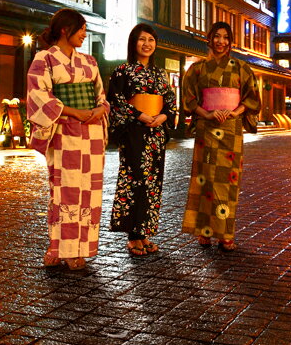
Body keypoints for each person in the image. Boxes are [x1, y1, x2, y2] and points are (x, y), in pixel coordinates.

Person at [27, 8, 109, 269]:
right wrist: (75, 112)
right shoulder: (45, 58)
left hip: (92, 133)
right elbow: (38, 96)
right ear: (65, 29)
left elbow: (101, 95)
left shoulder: (90, 61)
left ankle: (79, 250)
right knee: (63, 192)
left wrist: (99, 109)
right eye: (81, 28)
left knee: (89, 192)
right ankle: (57, 248)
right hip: (64, 132)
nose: (85, 34)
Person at [182, 21, 261, 250]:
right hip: (207, 127)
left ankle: (226, 234)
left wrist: (234, 111)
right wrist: (206, 113)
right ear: (209, 38)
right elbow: (189, 100)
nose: (221, 42)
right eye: (217, 36)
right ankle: (205, 231)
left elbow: (251, 97)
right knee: (205, 180)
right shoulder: (196, 69)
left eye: (226, 37)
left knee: (229, 181)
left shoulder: (241, 68)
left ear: (231, 42)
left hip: (231, 129)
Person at [107, 24, 177, 257]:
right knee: (135, 178)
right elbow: (116, 100)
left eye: (151, 40)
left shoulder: (160, 74)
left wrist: (164, 116)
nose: (147, 44)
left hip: (155, 133)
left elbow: (169, 100)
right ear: (133, 43)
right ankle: (133, 236)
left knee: (153, 182)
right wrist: (139, 115)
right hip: (134, 132)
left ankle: (145, 232)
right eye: (141, 39)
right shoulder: (123, 71)